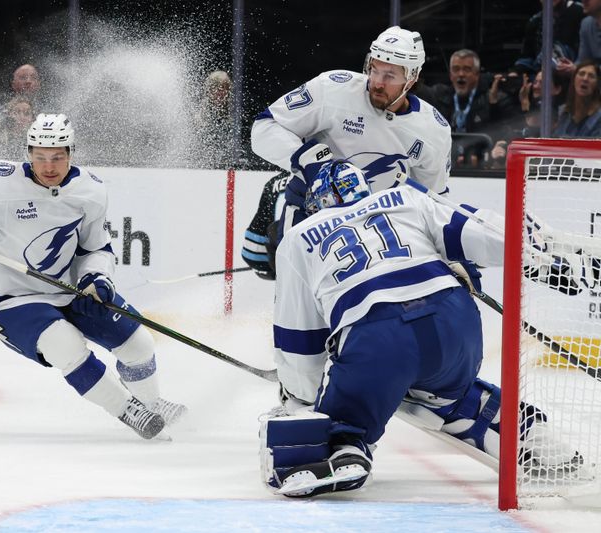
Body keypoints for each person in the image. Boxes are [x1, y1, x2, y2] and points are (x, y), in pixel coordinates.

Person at [259, 155, 583, 498]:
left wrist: (306, 399)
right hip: (456, 321)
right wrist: (538, 256)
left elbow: (301, 340)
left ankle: (345, 446)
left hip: (376, 334)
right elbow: (474, 230)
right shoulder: (405, 197)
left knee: (356, 403)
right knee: (443, 396)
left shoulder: (298, 238)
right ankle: (534, 435)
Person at [0, 113, 186, 439]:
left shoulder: (90, 190)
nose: (49, 166)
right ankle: (127, 409)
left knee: (139, 344)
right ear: (28, 153)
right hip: (13, 300)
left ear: (71, 153)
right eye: (40, 157)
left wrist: (97, 281)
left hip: (68, 291)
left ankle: (152, 403)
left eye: (58, 157)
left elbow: (97, 249)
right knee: (65, 344)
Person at [251, 26, 452, 201]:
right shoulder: (332, 88)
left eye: (390, 76)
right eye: (374, 70)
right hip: (312, 217)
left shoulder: (434, 130)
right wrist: (310, 162)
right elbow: (264, 128)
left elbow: (433, 201)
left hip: (379, 229)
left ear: (412, 78)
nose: (378, 83)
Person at [554, 60, 601, 137]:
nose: (585, 79)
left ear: (597, 84)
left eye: (591, 76)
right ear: (573, 80)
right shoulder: (563, 112)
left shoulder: (598, 118)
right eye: (581, 74)